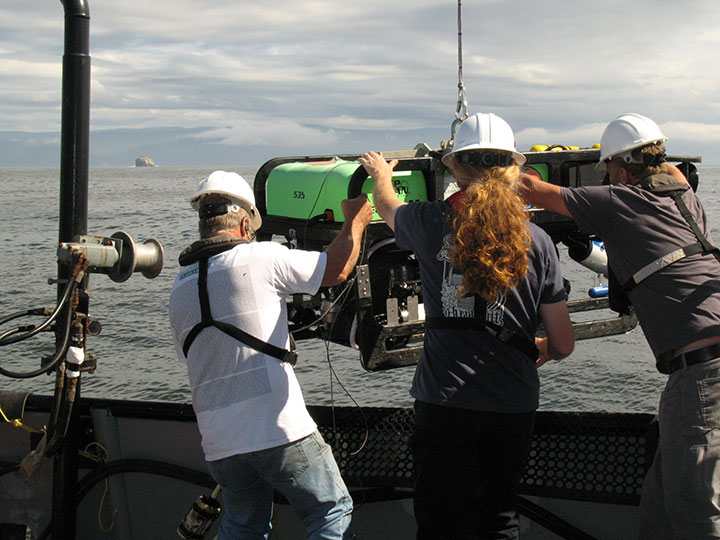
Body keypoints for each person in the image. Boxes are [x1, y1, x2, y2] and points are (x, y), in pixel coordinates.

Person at [359, 112, 575, 540]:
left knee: (440, 521)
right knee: (499, 518)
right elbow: (564, 342)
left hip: (444, 401)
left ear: (455, 168)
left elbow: (386, 205)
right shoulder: (540, 242)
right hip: (512, 403)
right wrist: (541, 348)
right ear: (515, 168)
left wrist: (381, 175)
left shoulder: (428, 221)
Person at [518, 113, 720, 539]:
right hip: (698, 371)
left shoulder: (617, 200)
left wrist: (497, 162)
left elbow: (530, 189)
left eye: (606, 170)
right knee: (661, 505)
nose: (604, 179)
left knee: (696, 512)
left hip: (702, 377)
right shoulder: (685, 197)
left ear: (623, 171)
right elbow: (652, 264)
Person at [169, 170, 373, 540]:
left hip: (220, 444)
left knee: (243, 525)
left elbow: (198, 359)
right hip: (278, 432)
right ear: (246, 223)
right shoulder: (260, 257)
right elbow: (338, 267)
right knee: (331, 511)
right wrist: (356, 220)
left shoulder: (179, 288)